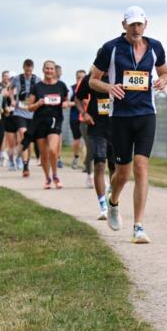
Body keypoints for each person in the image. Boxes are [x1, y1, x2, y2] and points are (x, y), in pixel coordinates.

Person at [89, 5, 167, 243]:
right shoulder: (110, 48)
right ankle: (113, 201)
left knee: (141, 167)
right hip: (120, 117)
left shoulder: (155, 47)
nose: (136, 28)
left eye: (139, 24)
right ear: (123, 25)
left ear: (146, 24)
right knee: (122, 172)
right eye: (132, 24)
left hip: (146, 114)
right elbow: (93, 80)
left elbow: (164, 72)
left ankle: (138, 226)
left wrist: (163, 81)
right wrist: (109, 87)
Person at [75, 59, 116, 219]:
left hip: (116, 128)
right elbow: (78, 98)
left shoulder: (118, 76)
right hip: (96, 127)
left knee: (116, 168)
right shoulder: (90, 79)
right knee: (99, 164)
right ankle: (103, 206)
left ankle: (113, 199)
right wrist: (84, 113)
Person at [27, 60, 69, 189]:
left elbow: (66, 99)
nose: (49, 71)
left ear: (55, 71)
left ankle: (55, 175)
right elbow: (29, 107)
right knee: (44, 153)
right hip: (40, 121)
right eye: (47, 68)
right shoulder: (37, 87)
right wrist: (38, 104)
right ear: (43, 70)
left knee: (52, 149)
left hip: (55, 120)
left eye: (52, 69)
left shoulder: (61, 85)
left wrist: (66, 104)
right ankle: (47, 178)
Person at [11, 59, 41, 177]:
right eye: (26, 70)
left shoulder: (37, 80)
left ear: (32, 69)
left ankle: (22, 158)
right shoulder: (17, 79)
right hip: (19, 113)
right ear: (23, 68)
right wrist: (12, 100)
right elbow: (9, 89)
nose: (28, 73)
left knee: (28, 142)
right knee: (23, 134)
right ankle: (25, 166)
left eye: (30, 70)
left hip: (32, 114)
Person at [0, 70, 18, 170]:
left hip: (19, 116)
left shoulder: (20, 89)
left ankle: (18, 159)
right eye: (10, 79)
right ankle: (11, 160)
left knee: (20, 141)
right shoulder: (5, 89)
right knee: (11, 142)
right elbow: (1, 96)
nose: (11, 80)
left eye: (13, 79)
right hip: (8, 116)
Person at [69, 69, 87, 169]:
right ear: (76, 78)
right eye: (79, 77)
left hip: (85, 118)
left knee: (86, 141)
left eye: (83, 77)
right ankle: (76, 157)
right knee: (77, 140)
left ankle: (86, 163)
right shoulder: (72, 89)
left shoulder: (88, 87)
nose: (81, 79)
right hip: (75, 117)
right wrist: (77, 103)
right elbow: (66, 103)